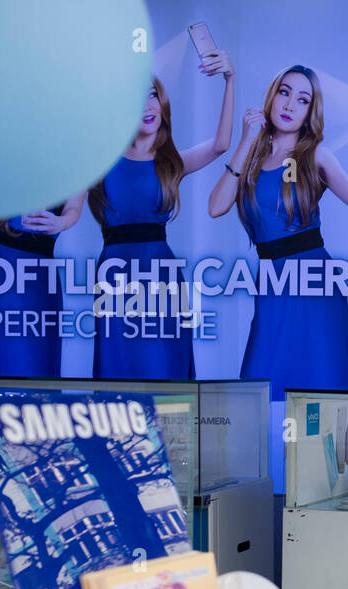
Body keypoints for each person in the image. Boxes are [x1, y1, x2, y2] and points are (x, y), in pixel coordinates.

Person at [210, 65, 348, 399]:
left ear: (309, 113)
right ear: (271, 97)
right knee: (259, 386)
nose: (290, 105)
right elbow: (216, 206)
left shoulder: (316, 155)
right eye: (284, 93)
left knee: (319, 388)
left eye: (302, 100)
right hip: (272, 282)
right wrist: (245, 140)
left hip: (314, 281)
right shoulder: (252, 154)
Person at [90, 56, 236, 378]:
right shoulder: (98, 160)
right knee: (120, 368)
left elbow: (222, 144)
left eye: (152, 94)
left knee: (163, 366)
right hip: (115, 274)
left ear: (162, 103)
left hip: (161, 275)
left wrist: (229, 80)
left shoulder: (171, 163)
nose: (146, 104)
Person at [0, 196, 85, 376]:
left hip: (35, 274)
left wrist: (61, 222)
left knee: (37, 361)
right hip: (0, 269)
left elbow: (73, 208)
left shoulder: (71, 168)